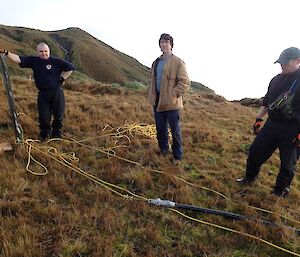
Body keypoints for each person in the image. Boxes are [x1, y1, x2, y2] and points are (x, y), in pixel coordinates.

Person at [237, 47, 300, 197]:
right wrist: (259, 119)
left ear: (297, 61)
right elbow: (266, 102)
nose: (281, 65)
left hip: (294, 129)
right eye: (280, 62)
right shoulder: (276, 80)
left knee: (287, 164)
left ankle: (280, 192)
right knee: (255, 151)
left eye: (285, 62)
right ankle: (249, 178)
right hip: (272, 125)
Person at [0, 43, 75, 140]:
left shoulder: (56, 61)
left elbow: (71, 67)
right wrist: (6, 53)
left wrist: (62, 78)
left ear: (49, 51)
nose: (44, 53)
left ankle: (57, 135)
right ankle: (45, 135)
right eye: (41, 51)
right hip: (43, 94)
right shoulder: (34, 61)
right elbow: (18, 59)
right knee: (44, 116)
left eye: (46, 51)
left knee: (58, 115)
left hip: (56, 92)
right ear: (37, 52)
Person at [147, 33, 190, 164]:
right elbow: (152, 81)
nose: (164, 44)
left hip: (172, 103)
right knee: (160, 129)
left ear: (171, 45)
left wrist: (173, 94)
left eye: (167, 42)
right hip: (158, 102)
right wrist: (150, 95)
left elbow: (184, 82)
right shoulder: (156, 62)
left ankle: (177, 155)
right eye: (162, 42)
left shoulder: (178, 62)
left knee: (175, 129)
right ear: (159, 45)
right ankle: (164, 150)